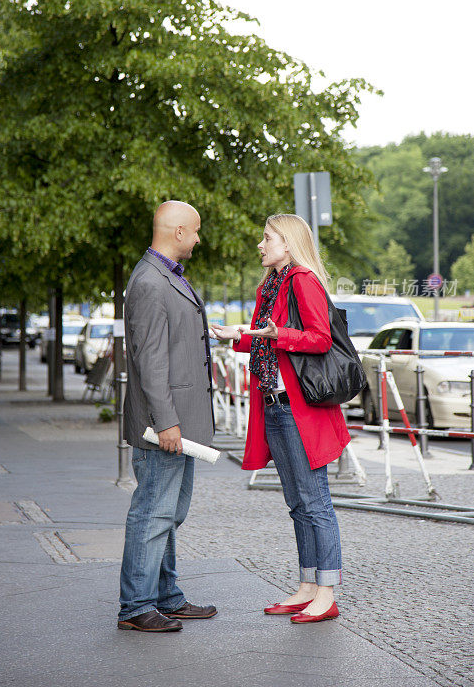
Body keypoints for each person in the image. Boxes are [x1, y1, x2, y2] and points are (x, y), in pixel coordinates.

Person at [211, 214, 350, 624]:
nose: (261, 244)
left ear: (287, 243)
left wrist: (276, 335)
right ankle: (308, 586)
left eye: (267, 237)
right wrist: (236, 337)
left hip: (299, 409)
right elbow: (266, 339)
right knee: (296, 503)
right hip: (275, 405)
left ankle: (326, 593)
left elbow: (320, 338)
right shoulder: (271, 284)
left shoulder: (302, 279)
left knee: (315, 502)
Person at [118, 201, 217, 633]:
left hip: (177, 421)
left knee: (168, 513)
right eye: (195, 231)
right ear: (178, 232)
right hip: (165, 424)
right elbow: (150, 361)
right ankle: (136, 607)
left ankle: (166, 597)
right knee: (153, 514)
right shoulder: (150, 282)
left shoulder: (163, 277)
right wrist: (166, 423)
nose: (198, 238)